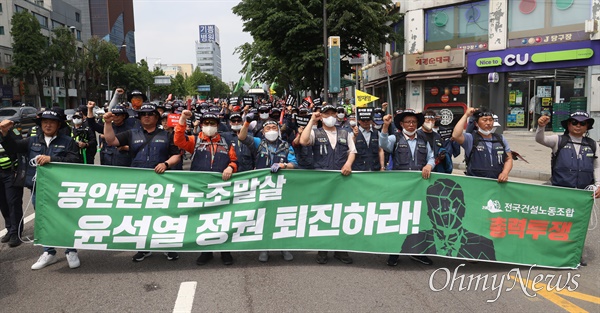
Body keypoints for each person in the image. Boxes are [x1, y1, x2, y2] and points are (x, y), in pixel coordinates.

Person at [0, 109, 81, 269]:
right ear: (40, 124)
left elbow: (75, 160)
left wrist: (53, 159)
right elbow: (13, 148)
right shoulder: (32, 141)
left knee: (65, 218)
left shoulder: (67, 141)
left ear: (58, 125)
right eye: (45, 122)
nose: (48, 125)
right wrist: (5, 132)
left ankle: (71, 251)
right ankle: (48, 252)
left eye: (52, 122)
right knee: (44, 220)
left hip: (62, 188)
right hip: (39, 189)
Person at [103, 103, 182, 262]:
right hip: (138, 181)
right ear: (139, 117)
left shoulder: (166, 135)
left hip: (161, 180)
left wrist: (166, 164)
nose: (147, 116)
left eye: (150, 113)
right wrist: (107, 123)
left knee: (163, 214)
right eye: (143, 114)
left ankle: (168, 246)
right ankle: (144, 247)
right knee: (141, 215)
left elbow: (176, 155)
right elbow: (111, 140)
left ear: (156, 117)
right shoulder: (131, 134)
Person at [174, 110, 238, 266]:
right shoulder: (194, 141)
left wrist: (231, 167)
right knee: (204, 220)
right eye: (206, 123)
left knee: (224, 220)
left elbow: (235, 161)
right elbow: (178, 140)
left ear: (217, 125)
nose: (209, 126)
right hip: (200, 188)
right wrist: (182, 118)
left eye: (212, 124)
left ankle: (225, 252)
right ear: (201, 125)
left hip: (221, 188)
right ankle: (206, 251)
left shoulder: (226, 142)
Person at [536, 111, 600, 266]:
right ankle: (552, 253)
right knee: (557, 224)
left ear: (587, 126)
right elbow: (540, 139)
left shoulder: (592, 144)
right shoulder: (558, 140)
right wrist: (541, 126)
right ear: (568, 125)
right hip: (560, 191)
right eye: (575, 122)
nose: (578, 126)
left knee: (578, 226)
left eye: (582, 123)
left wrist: (598, 184)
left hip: (582, 194)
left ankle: (574, 254)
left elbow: (596, 166)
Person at [300, 104, 356, 264]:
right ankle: (322, 250)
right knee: (323, 215)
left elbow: (352, 151)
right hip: (322, 181)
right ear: (321, 116)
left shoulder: (346, 133)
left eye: (333, 113)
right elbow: (303, 141)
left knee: (341, 214)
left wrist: (348, 164)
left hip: (342, 180)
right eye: (326, 114)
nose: (330, 116)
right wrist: (311, 120)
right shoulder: (315, 132)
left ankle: (341, 250)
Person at [379, 109, 435, 266]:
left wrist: (429, 165)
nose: (411, 125)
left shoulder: (424, 139)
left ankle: (418, 252)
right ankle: (394, 252)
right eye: (408, 122)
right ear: (402, 124)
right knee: (400, 219)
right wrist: (385, 125)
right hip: (400, 187)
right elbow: (383, 143)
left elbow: (431, 157)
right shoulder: (394, 138)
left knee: (420, 218)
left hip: (419, 186)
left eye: (414, 122)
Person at [238, 117, 297, 262]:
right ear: (263, 132)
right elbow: (242, 137)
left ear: (278, 130)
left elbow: (294, 163)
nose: (271, 130)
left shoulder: (286, 145)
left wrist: (283, 166)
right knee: (262, 217)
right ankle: (264, 247)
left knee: (281, 217)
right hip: (263, 186)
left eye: (274, 128)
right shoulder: (258, 143)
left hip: (281, 187)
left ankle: (283, 247)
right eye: (267, 128)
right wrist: (246, 122)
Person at [452, 108, 513, 182]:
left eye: (491, 120)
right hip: (475, 183)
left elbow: (508, 159)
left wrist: (505, 173)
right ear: (476, 123)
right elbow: (456, 135)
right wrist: (466, 115)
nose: (488, 123)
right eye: (484, 120)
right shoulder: (471, 138)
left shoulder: (500, 139)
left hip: (496, 183)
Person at [87, 102, 138, 166]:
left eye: (117, 115)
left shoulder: (130, 129)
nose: (115, 117)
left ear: (123, 116)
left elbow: (138, 146)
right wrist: (90, 109)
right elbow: (92, 125)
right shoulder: (108, 128)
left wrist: (125, 148)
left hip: (124, 163)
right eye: (113, 115)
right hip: (107, 162)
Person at [0, 126, 24, 247]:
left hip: (11, 172)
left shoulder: (11, 130)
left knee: (13, 202)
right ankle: (9, 229)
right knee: (3, 203)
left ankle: (16, 232)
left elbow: (18, 147)